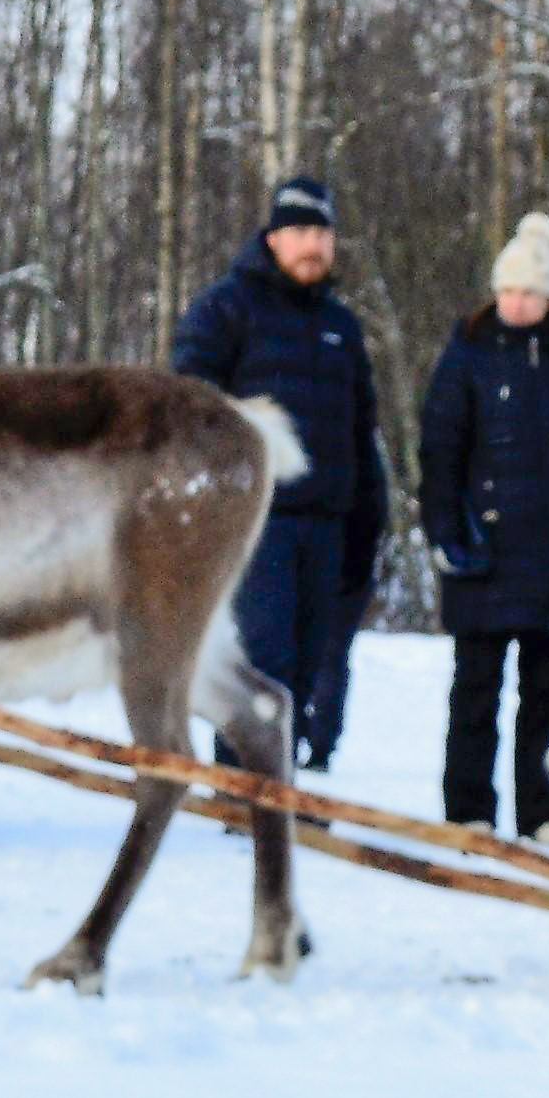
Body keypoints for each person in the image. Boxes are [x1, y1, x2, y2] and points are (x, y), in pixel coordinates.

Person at [173, 171, 387, 774]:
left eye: (322, 232)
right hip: (252, 519)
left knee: (310, 662)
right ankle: (245, 785)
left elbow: (360, 435)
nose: (312, 245)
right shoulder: (226, 309)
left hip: (328, 523)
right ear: (272, 238)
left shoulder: (341, 328)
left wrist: (368, 527)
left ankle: (281, 784)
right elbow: (189, 409)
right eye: (298, 231)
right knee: (258, 658)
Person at [420, 214, 549, 836]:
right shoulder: (465, 358)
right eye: (507, 290)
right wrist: (445, 533)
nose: (515, 302)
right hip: (484, 555)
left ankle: (543, 812)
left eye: (528, 292)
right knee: (475, 692)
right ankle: (469, 809)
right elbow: (439, 453)